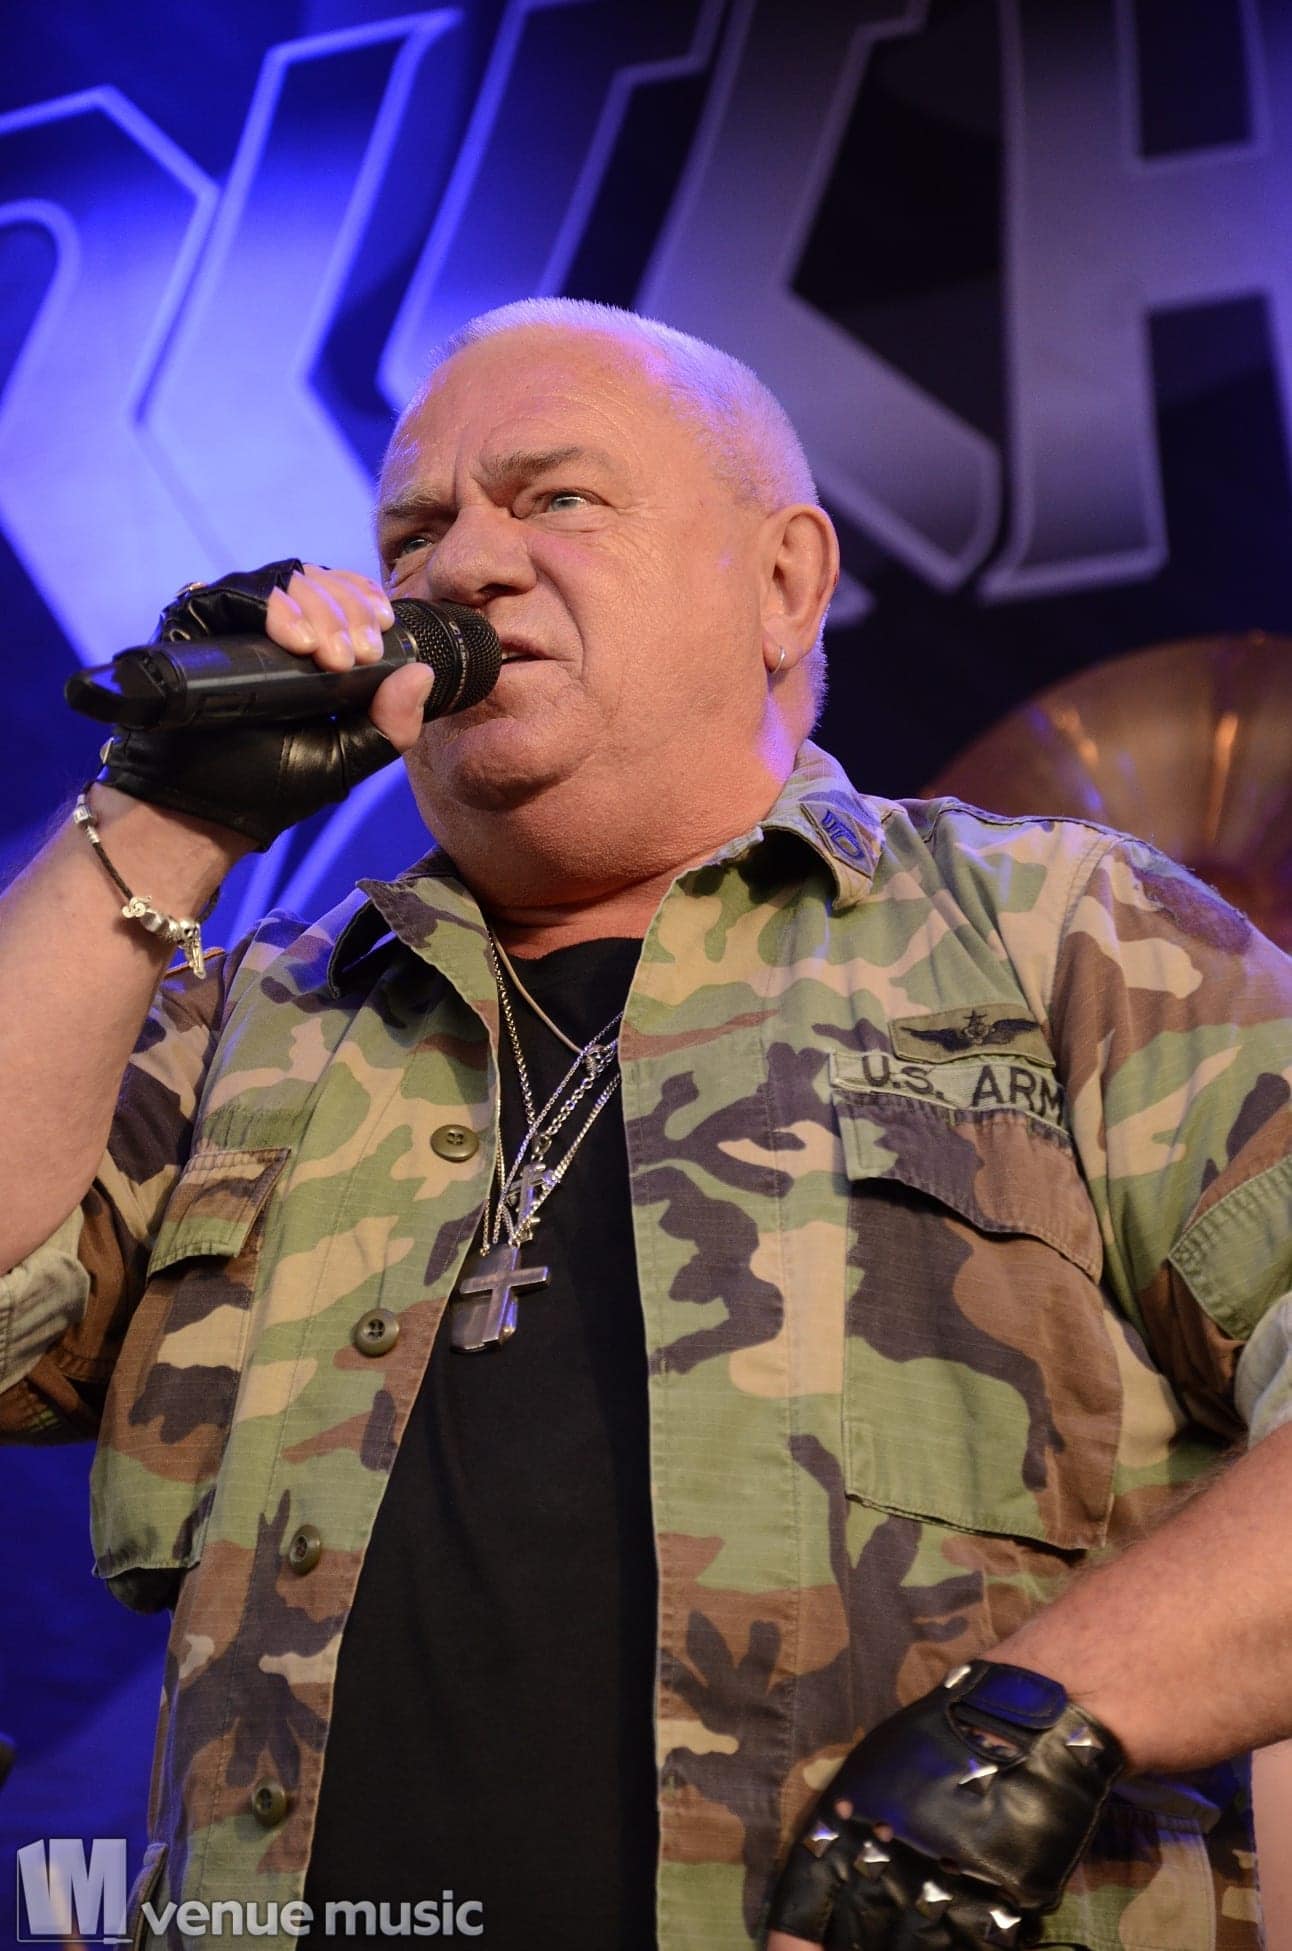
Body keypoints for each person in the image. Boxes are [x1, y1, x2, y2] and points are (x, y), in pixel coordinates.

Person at [0, 297, 1289, 1951]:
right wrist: (164, 810)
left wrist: (1039, 1722)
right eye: (413, 534)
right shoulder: (262, 1019)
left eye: (554, 498)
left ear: (783, 584)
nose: (463, 565)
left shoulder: (1067, 938)